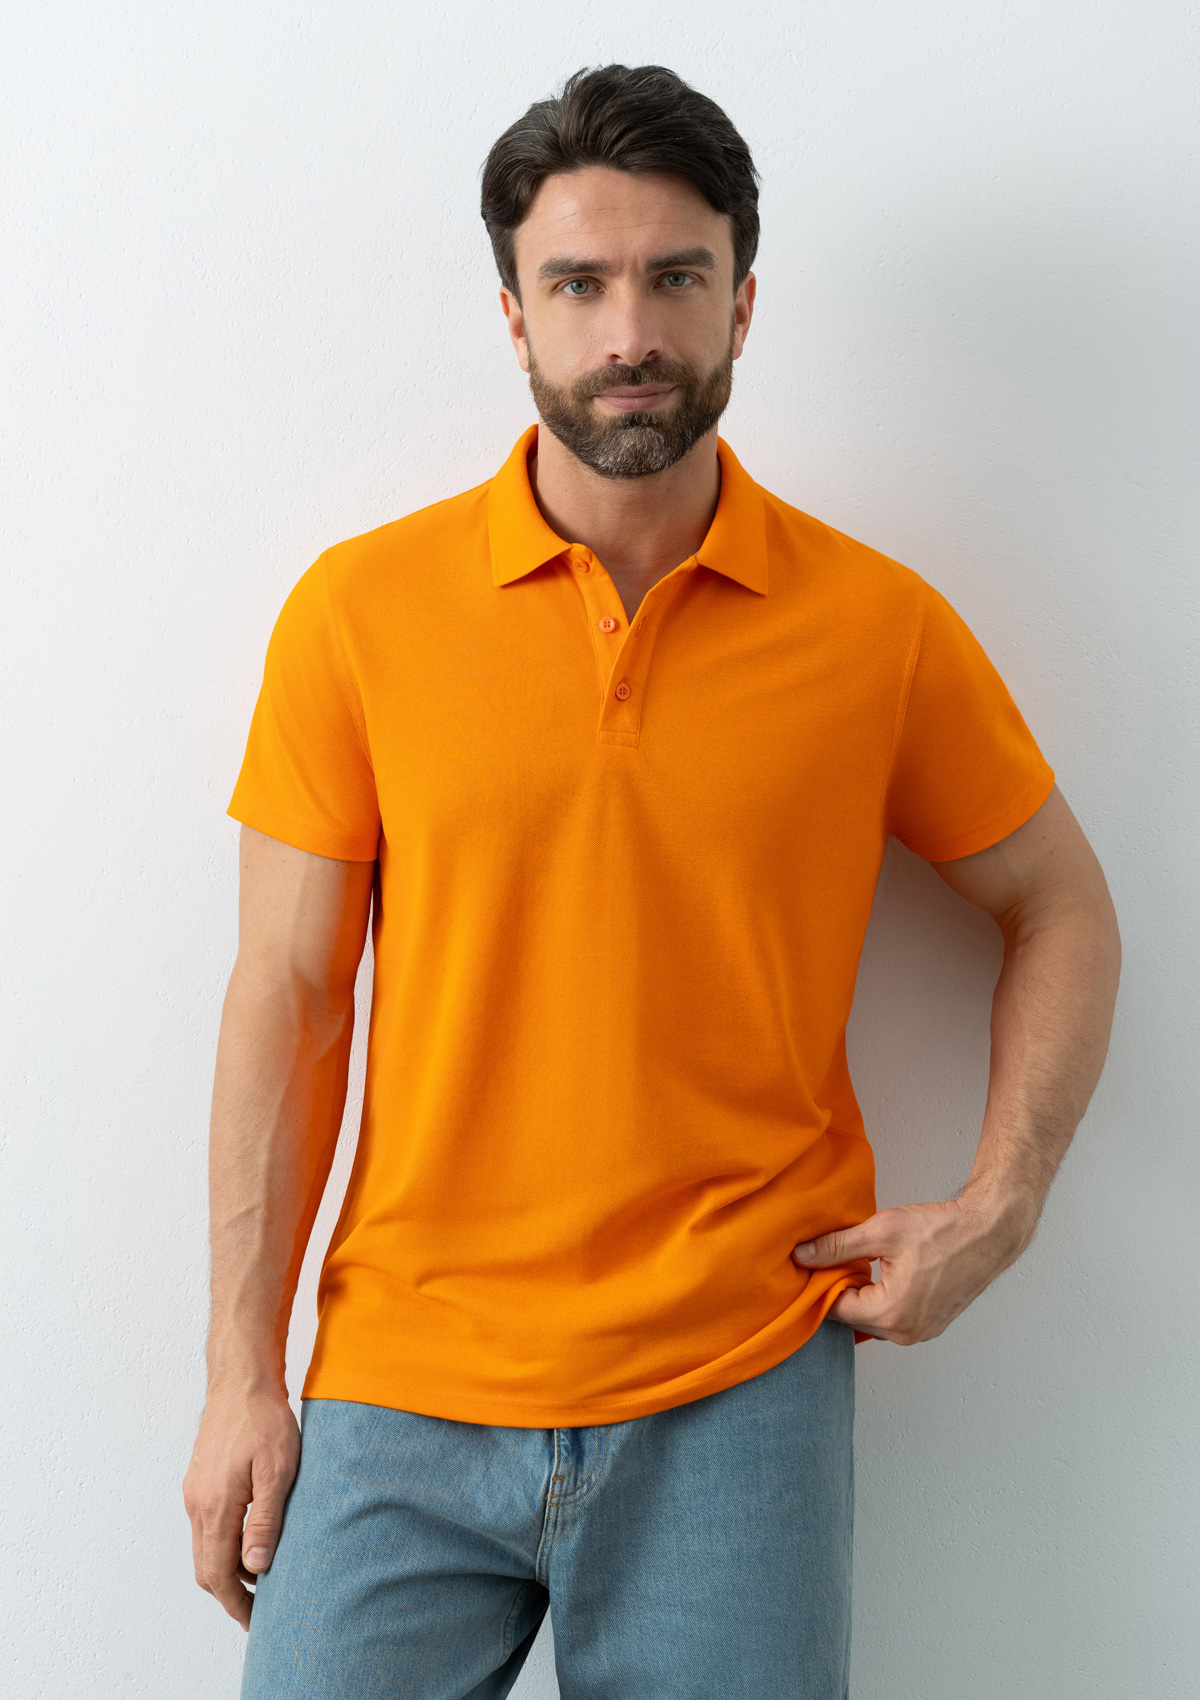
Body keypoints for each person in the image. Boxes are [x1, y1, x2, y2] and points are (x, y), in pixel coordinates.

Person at [183, 63, 1121, 1700]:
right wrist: (238, 1376)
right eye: (580, 284)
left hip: (739, 1382)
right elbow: (290, 995)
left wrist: (1002, 1208)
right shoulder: (358, 616)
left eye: (676, 277)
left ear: (742, 301)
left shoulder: (877, 630)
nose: (631, 330)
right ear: (514, 316)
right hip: (404, 1380)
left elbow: (1062, 905)